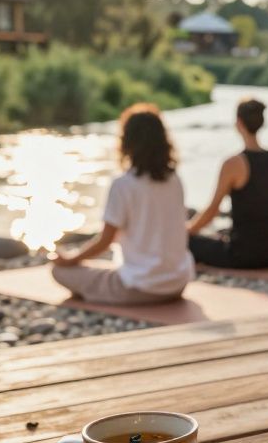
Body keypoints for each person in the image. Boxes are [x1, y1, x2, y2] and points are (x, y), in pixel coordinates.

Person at [50, 104, 193, 304]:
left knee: (59, 271)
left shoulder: (123, 185)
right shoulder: (174, 180)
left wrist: (70, 259)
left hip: (141, 288)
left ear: (127, 142)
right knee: (103, 269)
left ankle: (95, 291)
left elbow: (105, 241)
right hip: (178, 283)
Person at [187, 97, 268, 269]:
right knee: (218, 236)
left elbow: (213, 210)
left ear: (239, 123)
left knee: (189, 242)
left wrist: (186, 232)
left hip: (244, 254)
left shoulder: (233, 163)